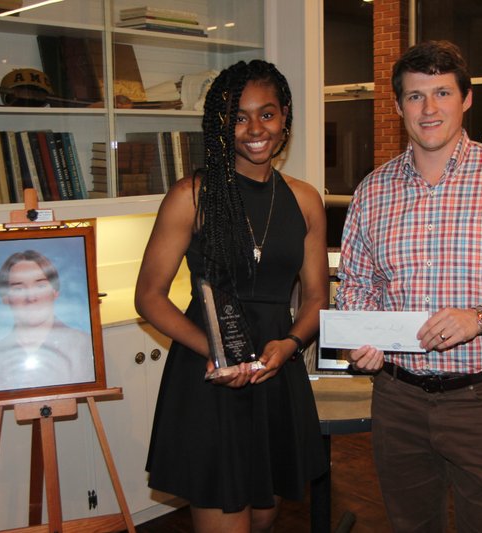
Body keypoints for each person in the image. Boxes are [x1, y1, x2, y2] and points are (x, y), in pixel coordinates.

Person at [335, 40, 482, 532]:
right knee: (410, 525)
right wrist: (364, 339)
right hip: (397, 401)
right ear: (399, 106)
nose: (429, 109)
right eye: (415, 96)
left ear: (465, 99)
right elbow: (357, 285)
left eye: (442, 93)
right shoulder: (372, 190)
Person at [134, 59, 329, 533]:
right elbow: (149, 297)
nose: (254, 129)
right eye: (238, 116)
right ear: (221, 124)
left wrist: (290, 346)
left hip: (275, 369)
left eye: (266, 114)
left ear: (285, 118)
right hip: (210, 374)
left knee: (264, 514)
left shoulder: (304, 199)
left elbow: (316, 297)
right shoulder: (192, 195)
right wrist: (221, 353)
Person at [0, 250, 95, 391]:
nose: (31, 297)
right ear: (5, 298)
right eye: (19, 289)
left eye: (40, 286)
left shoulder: (83, 345)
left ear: (55, 292)